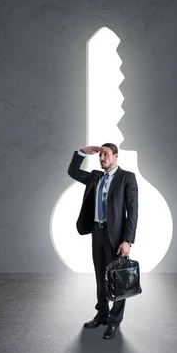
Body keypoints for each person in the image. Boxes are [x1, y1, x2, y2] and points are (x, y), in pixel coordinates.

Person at [67, 143, 139, 340]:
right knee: (100, 276)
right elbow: (72, 171)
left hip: (116, 237)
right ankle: (102, 314)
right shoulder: (95, 177)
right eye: (100, 155)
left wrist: (128, 240)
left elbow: (132, 211)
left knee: (118, 280)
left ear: (116, 156)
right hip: (97, 232)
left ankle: (114, 322)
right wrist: (82, 153)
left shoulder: (127, 178)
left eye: (106, 154)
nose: (102, 158)